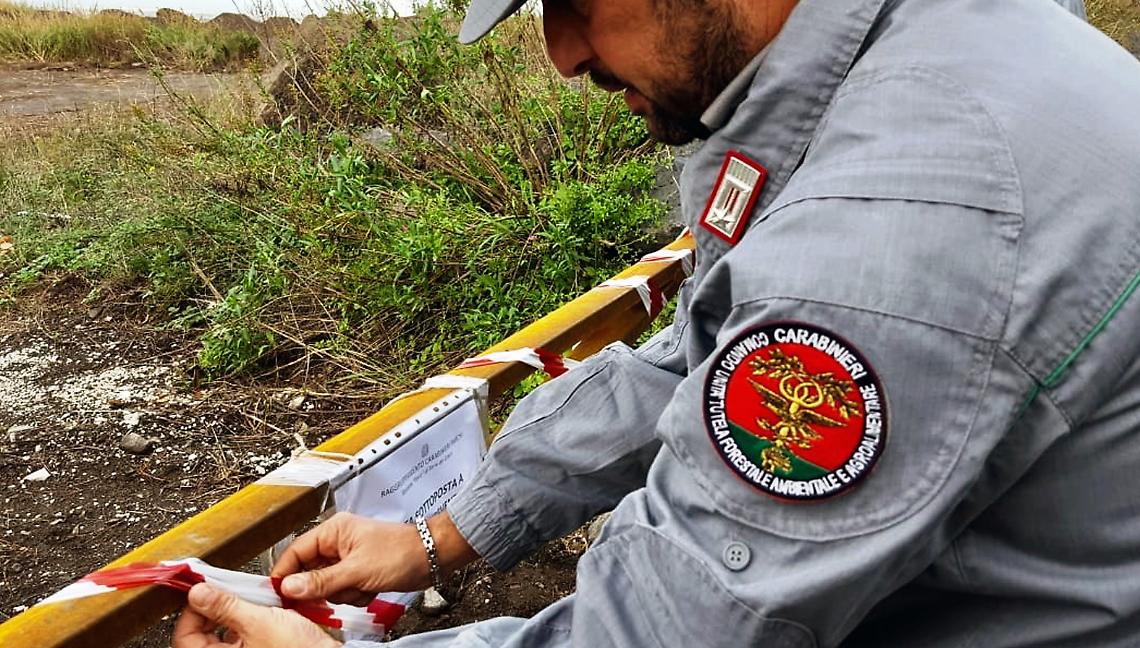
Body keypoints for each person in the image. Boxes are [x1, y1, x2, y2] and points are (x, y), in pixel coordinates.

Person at [174, 0, 1140, 645]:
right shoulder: (917, 57)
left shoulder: (904, 220)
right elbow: (700, 359)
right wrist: (441, 535)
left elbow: (686, 622)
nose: (561, 53)